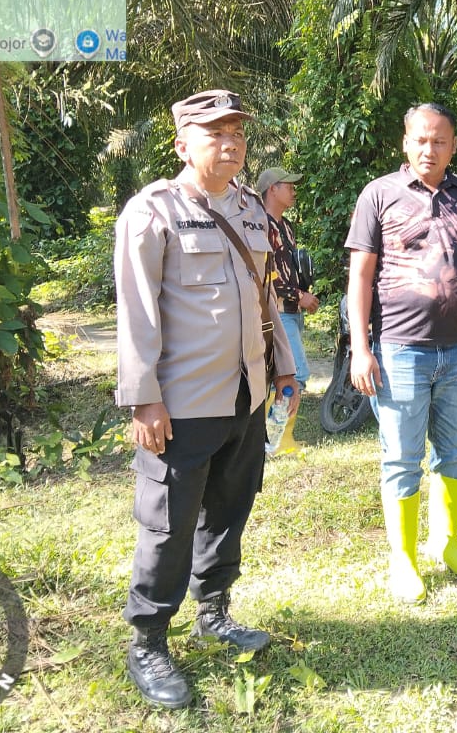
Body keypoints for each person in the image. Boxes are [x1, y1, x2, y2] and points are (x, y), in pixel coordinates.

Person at [114, 89, 300, 708]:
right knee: (168, 524)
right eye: (215, 133)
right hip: (183, 403)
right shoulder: (153, 212)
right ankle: (148, 641)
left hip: (246, 395)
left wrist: (284, 367)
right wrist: (144, 400)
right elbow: (136, 312)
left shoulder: (250, 210)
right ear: (181, 145)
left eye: (237, 133)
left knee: (228, 508)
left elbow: (265, 297)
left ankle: (214, 612)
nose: (230, 143)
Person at [345, 103, 457, 604]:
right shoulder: (379, 194)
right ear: (406, 143)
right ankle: (403, 558)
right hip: (399, 349)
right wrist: (361, 349)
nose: (430, 149)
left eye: (440, 141)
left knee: (455, 451)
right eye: (421, 140)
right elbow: (360, 276)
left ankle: (448, 545)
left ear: (453, 146)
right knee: (402, 459)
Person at [258, 166, 319, 453]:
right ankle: (274, 440)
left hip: (291, 309)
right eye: (289, 186)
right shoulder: (260, 225)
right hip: (277, 310)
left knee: (287, 373)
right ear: (272, 189)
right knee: (294, 373)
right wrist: (298, 295)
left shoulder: (286, 226)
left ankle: (276, 438)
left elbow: (289, 267)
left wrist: (302, 294)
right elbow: (264, 273)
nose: (294, 191)